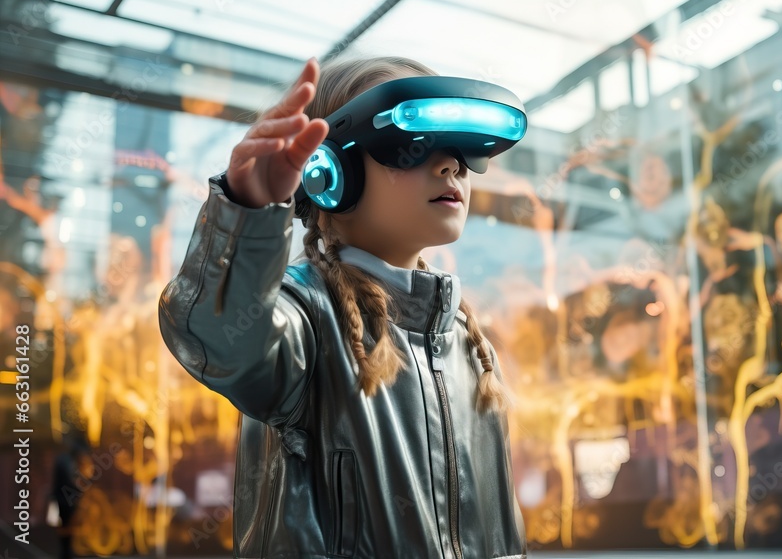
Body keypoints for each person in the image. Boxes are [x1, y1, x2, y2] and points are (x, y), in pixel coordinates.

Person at [158, 56, 527, 558]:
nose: (452, 166)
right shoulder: (302, 318)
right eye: (411, 145)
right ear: (328, 170)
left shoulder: (469, 344)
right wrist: (247, 211)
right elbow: (218, 337)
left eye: (462, 150)